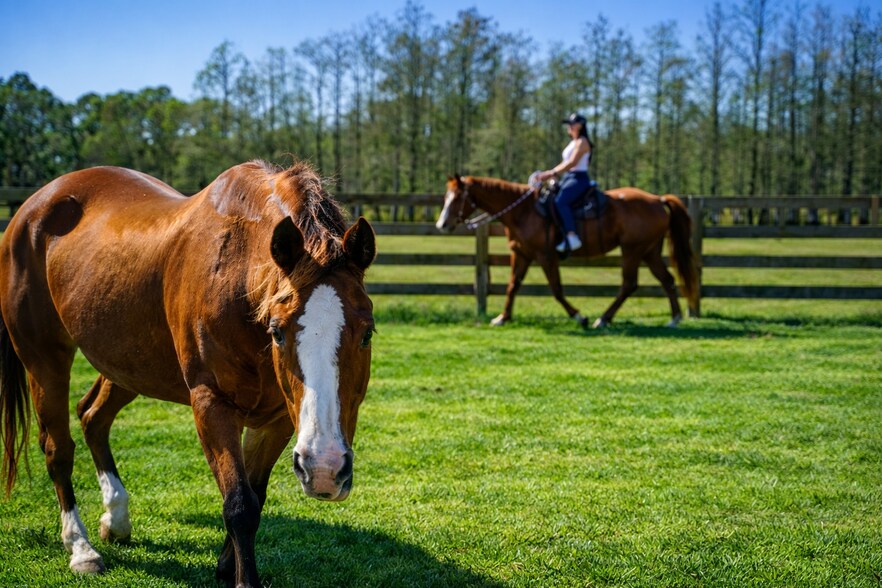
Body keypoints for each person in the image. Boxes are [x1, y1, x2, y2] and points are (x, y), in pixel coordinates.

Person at [536, 113, 594, 252]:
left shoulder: (583, 142)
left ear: (580, 125)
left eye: (572, 123)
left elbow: (572, 162)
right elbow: (565, 163)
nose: (569, 126)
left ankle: (572, 236)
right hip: (569, 177)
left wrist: (552, 172)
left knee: (561, 201)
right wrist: (555, 175)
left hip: (579, 178)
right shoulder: (574, 142)